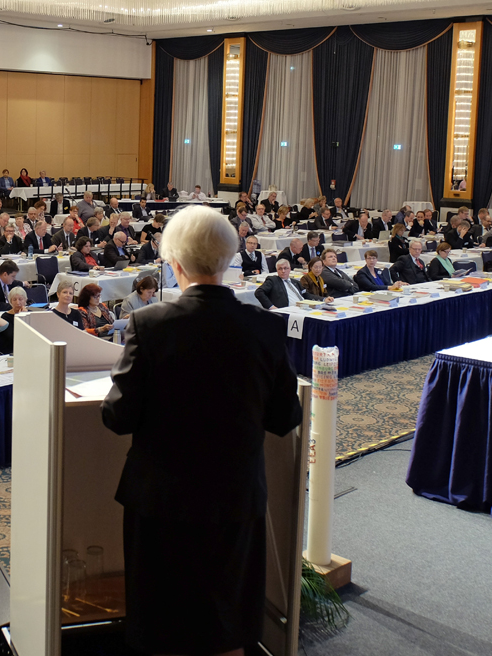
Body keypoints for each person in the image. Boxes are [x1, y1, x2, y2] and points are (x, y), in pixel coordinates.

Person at [100, 206, 302, 656]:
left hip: (161, 500)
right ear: (229, 260)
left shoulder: (149, 324)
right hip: (235, 496)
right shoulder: (266, 327)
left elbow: (118, 418)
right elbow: (284, 417)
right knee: (227, 622)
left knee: (161, 620)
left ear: (174, 263)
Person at [254, 259, 327, 309]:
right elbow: (259, 292)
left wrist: (323, 299)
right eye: (280, 269)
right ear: (277, 270)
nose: (283, 271)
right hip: (289, 310)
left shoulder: (296, 282)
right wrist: (271, 307)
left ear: (289, 269)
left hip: (305, 307)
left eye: (285, 268)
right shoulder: (273, 280)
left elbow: (306, 295)